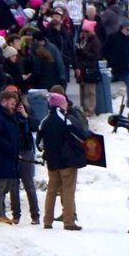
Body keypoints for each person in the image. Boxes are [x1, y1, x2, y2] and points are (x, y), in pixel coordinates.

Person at [37, 90, 88, 230]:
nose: (67, 104)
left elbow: (38, 142)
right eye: (65, 102)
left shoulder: (45, 120)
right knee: (68, 190)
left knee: (51, 190)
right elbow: (81, 134)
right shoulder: (65, 119)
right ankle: (69, 221)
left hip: (52, 162)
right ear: (60, 105)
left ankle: (47, 221)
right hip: (67, 161)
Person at [0, 87, 30, 223]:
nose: (14, 106)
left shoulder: (7, 115)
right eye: (12, 103)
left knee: (4, 187)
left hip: (7, 157)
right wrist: (9, 148)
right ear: (4, 101)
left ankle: (1, 213)